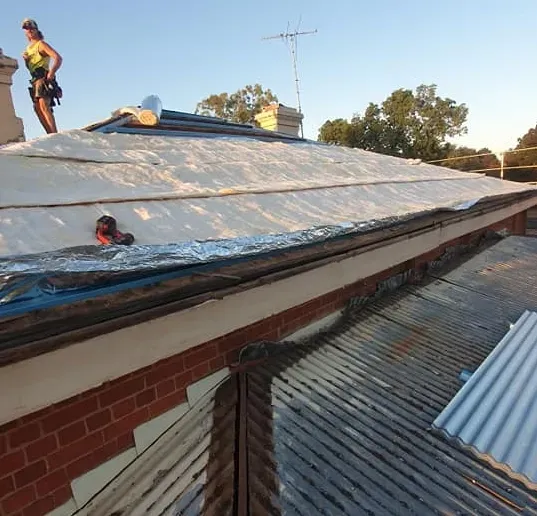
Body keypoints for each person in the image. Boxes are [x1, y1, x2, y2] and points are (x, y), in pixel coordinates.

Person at [21, 18, 63, 134]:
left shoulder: (41, 44)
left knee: (44, 105)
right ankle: (49, 133)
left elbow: (58, 58)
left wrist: (51, 72)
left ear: (36, 30)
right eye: (26, 29)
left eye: (31, 28)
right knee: (37, 108)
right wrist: (26, 60)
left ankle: (54, 134)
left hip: (42, 77)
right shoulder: (28, 49)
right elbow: (30, 68)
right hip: (34, 79)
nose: (29, 31)